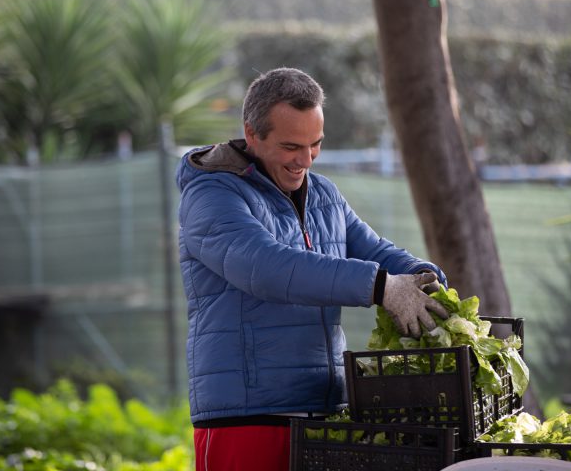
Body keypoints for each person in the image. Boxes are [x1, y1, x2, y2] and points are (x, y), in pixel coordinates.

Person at [175, 67, 449, 471]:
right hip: (248, 418)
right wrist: (381, 287)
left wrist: (421, 275)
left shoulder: (323, 194)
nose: (305, 160)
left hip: (325, 412)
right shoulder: (211, 195)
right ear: (252, 133)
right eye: (291, 146)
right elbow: (265, 267)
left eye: (315, 144)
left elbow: (374, 249)